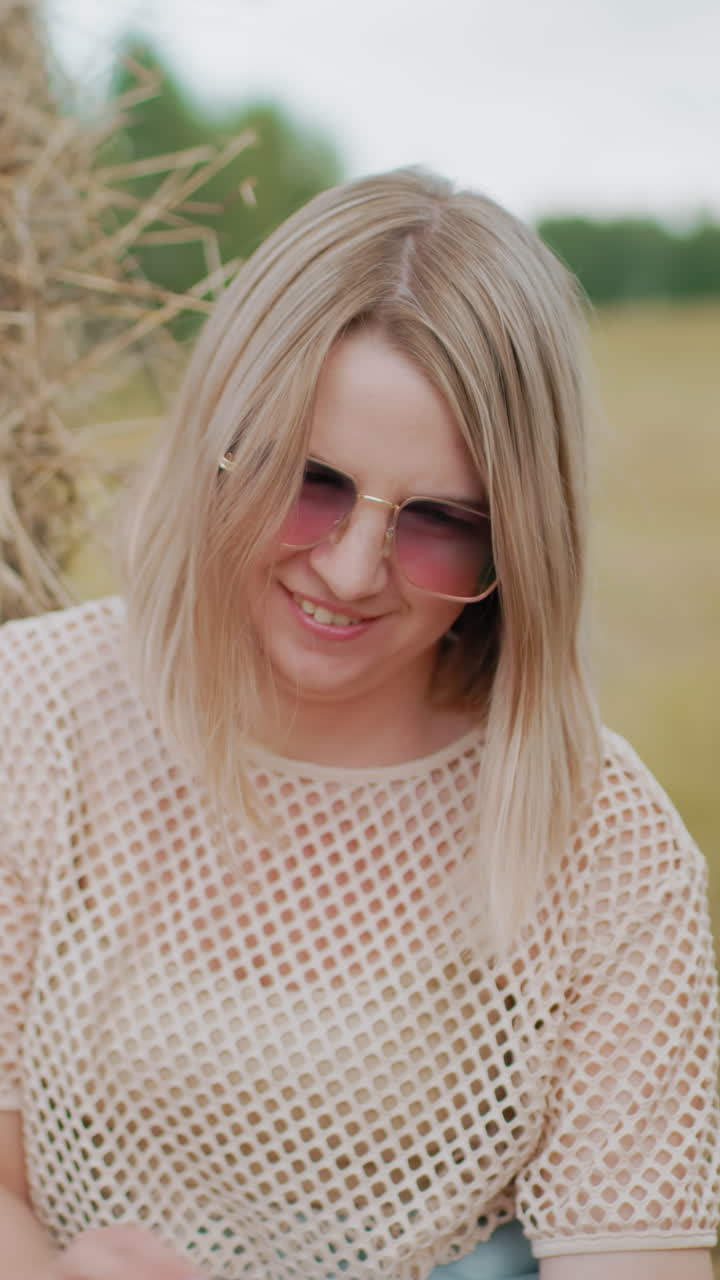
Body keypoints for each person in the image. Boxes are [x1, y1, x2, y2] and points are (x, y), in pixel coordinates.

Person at [0, 168, 717, 1280]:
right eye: (311, 479)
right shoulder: (29, 715)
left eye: (438, 520)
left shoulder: (607, 847)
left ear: (519, 540)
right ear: (218, 447)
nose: (350, 567)